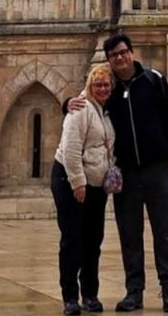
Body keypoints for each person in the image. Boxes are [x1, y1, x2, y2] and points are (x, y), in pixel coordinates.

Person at [69, 34, 168, 313]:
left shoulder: (153, 80)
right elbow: (87, 103)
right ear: (108, 59)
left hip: (157, 168)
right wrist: (66, 104)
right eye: (113, 55)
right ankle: (135, 292)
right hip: (126, 172)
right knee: (130, 234)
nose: (119, 58)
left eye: (122, 53)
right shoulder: (108, 88)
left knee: (164, 232)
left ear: (131, 53)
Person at [51, 64, 114, 315]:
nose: (102, 89)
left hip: (96, 185)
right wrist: (78, 182)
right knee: (72, 240)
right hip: (71, 182)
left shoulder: (107, 111)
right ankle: (70, 298)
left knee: (93, 241)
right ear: (90, 85)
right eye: (98, 84)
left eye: (106, 85)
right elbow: (71, 148)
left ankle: (90, 294)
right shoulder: (81, 107)